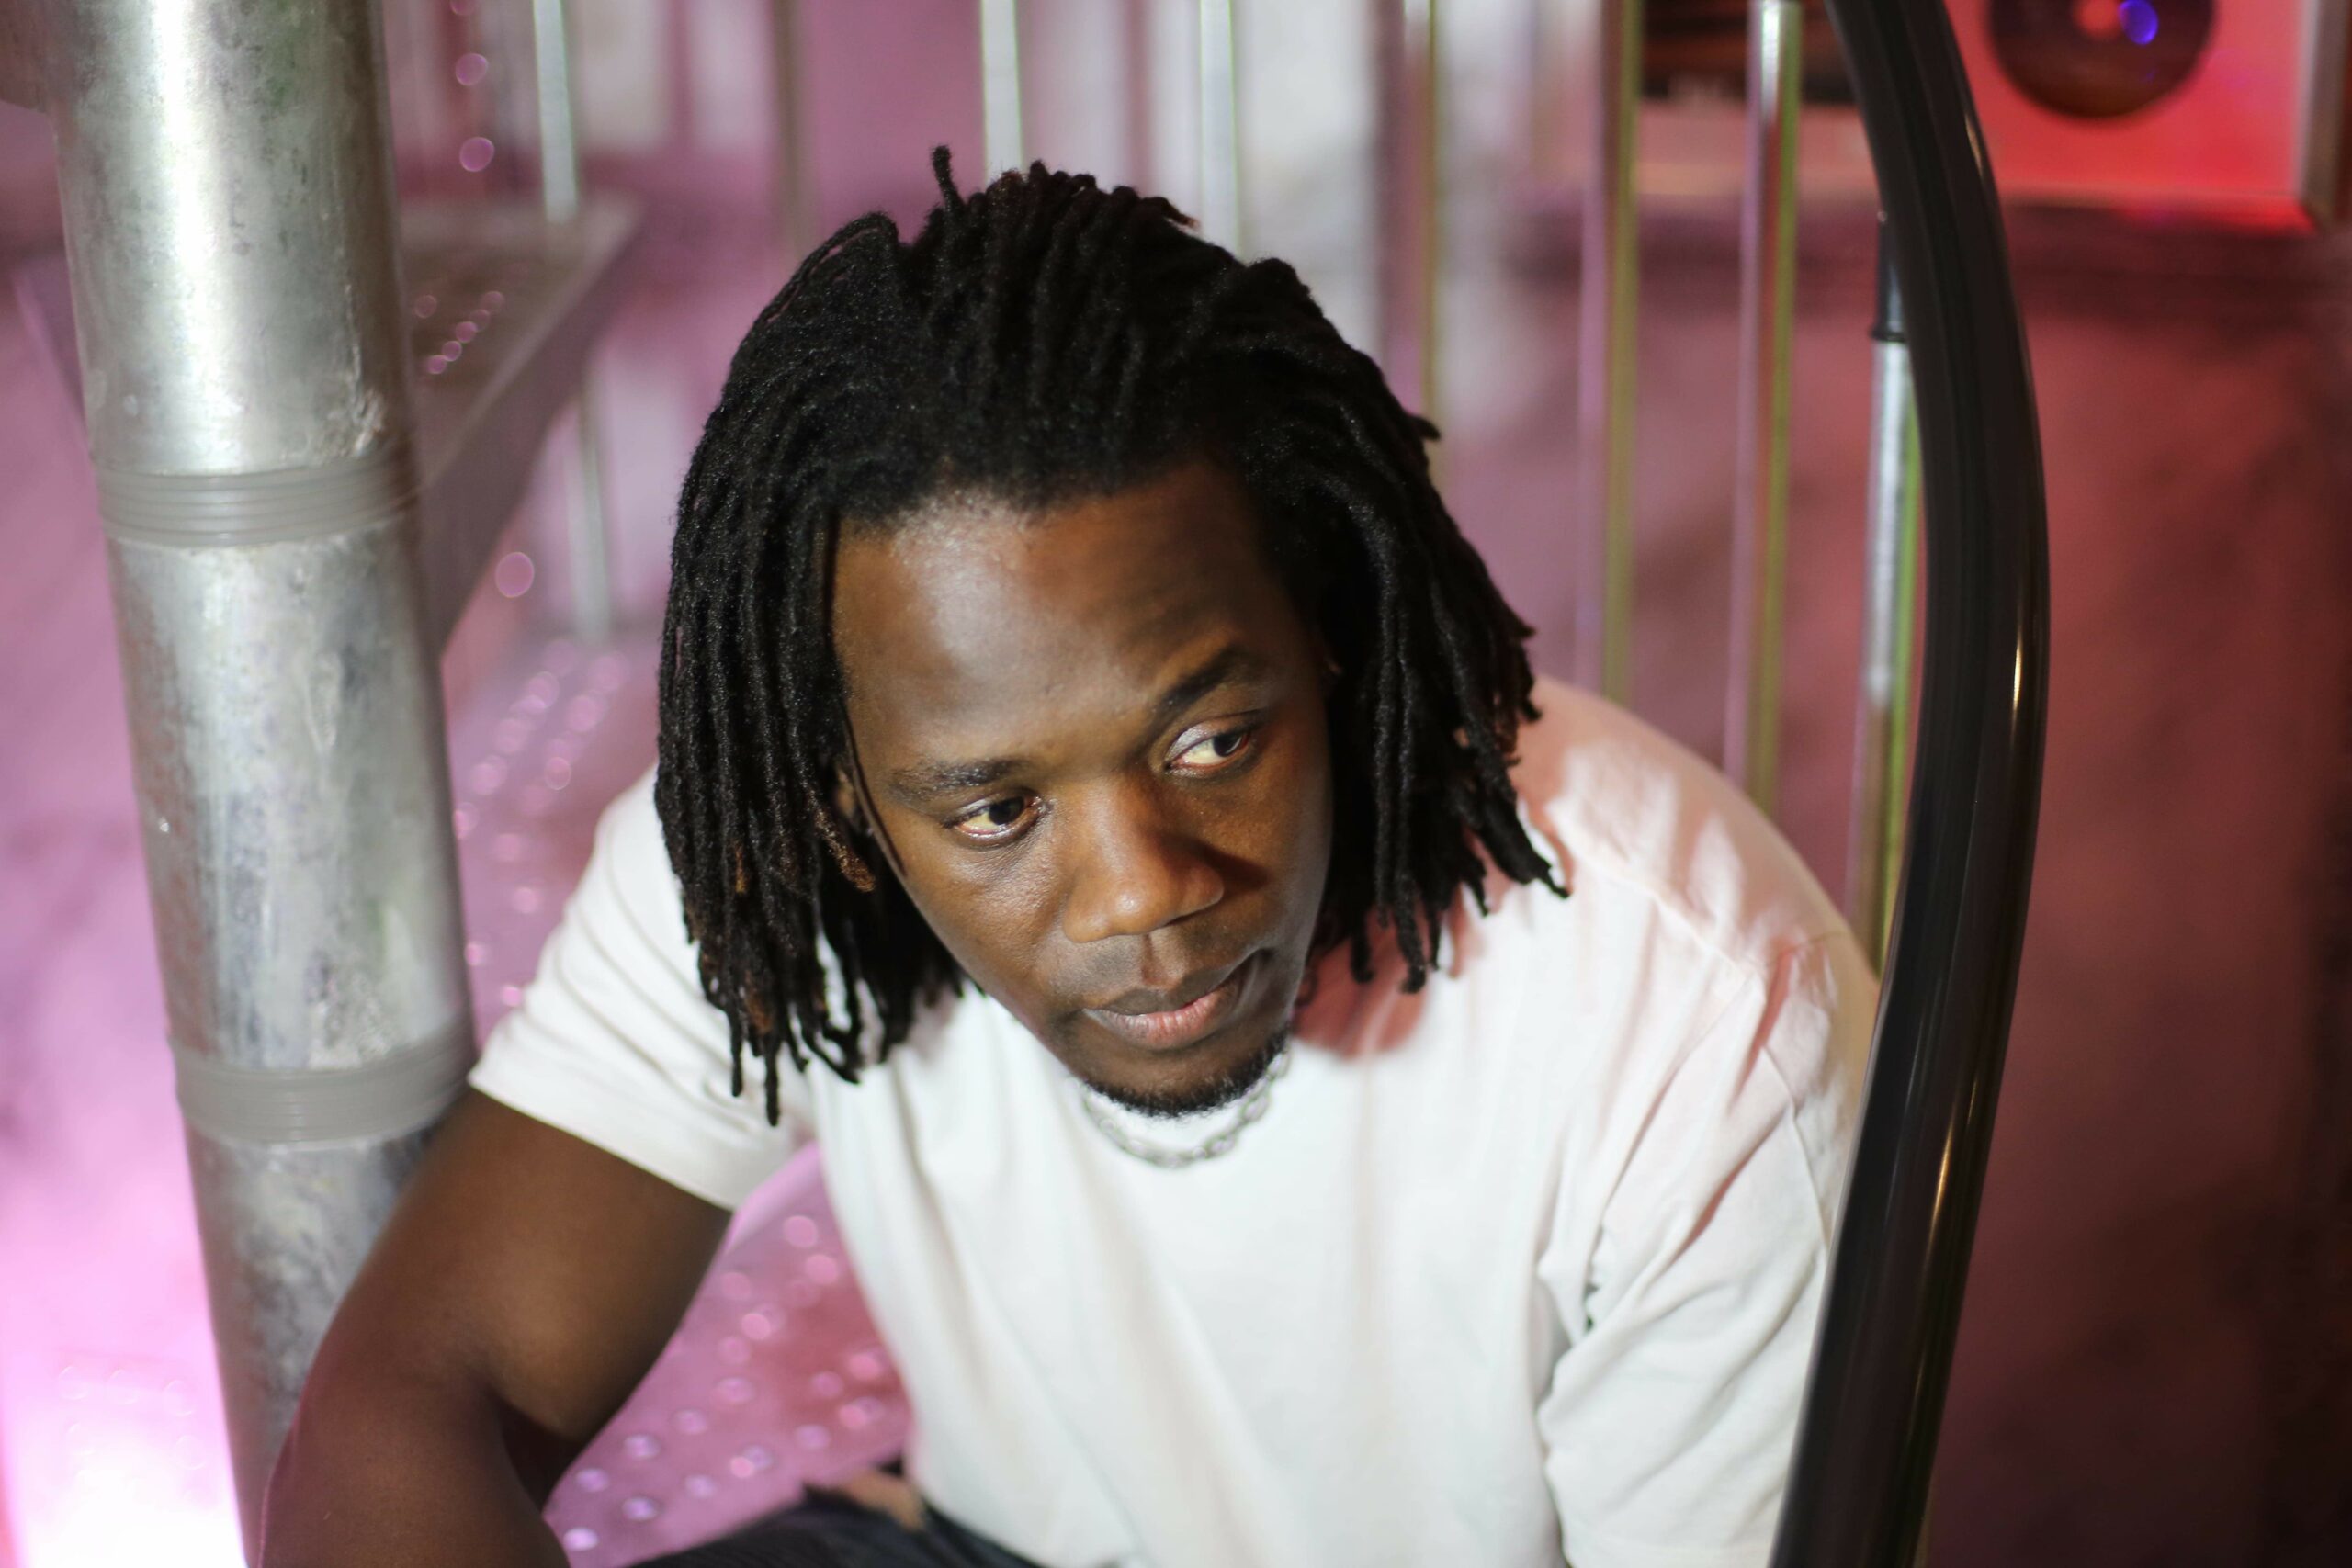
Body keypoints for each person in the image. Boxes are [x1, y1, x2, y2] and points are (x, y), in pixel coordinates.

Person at [262, 152, 1874, 1568]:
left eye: (1212, 741)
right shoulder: (774, 851)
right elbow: (425, 1396)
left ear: (1324, 631)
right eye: (996, 814)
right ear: (847, 802)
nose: (1145, 892)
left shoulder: (1699, 1016)